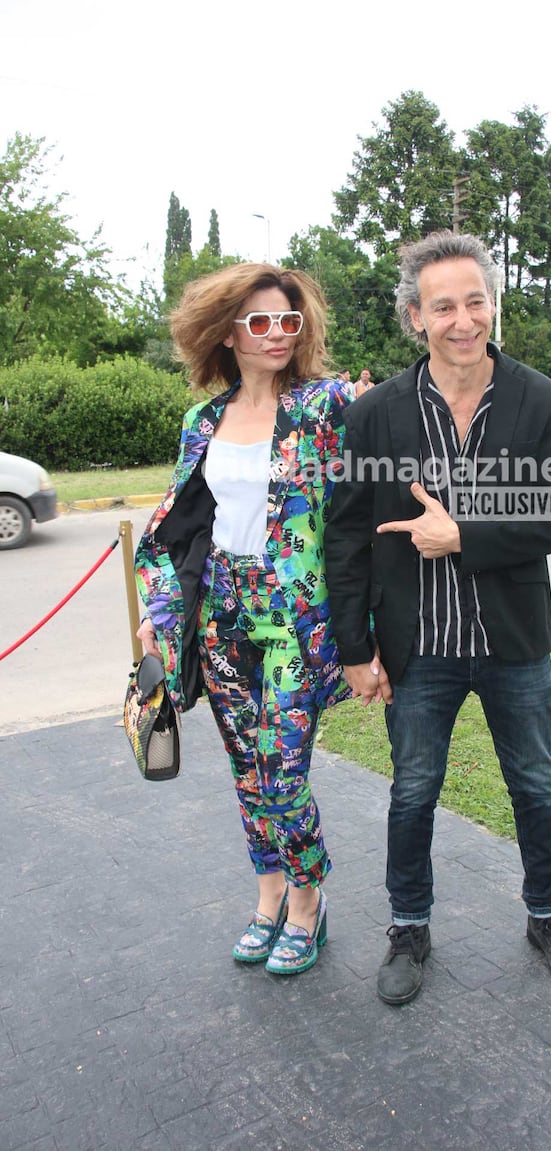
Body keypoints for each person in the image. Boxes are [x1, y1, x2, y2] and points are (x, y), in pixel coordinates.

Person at [324, 230, 551, 1005]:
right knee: (412, 791)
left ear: (491, 306)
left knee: (535, 786)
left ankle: (548, 918)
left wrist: (462, 535)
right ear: (415, 316)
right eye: (443, 305)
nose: (462, 319)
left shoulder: (538, 399)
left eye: (475, 301)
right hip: (419, 649)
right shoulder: (376, 415)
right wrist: (353, 647)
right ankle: (408, 929)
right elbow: (345, 534)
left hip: (512, 644)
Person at [134, 263, 354, 976]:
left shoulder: (325, 407)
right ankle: (266, 897)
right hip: (222, 619)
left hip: (292, 623)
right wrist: (159, 619)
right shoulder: (203, 421)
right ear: (227, 333)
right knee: (245, 770)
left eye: (287, 321)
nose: (276, 334)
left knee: (282, 769)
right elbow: (177, 529)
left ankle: (307, 903)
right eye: (259, 322)